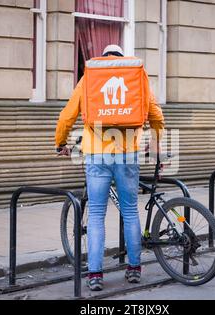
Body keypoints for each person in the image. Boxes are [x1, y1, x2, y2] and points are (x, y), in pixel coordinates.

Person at [55, 44, 165, 291]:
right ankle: (134, 269)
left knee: (95, 215)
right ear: (120, 57)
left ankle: (95, 275)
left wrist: (60, 141)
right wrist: (157, 146)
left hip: (96, 154)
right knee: (130, 211)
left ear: (103, 58)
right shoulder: (137, 76)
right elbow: (156, 115)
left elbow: (67, 116)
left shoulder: (90, 78)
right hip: (127, 153)